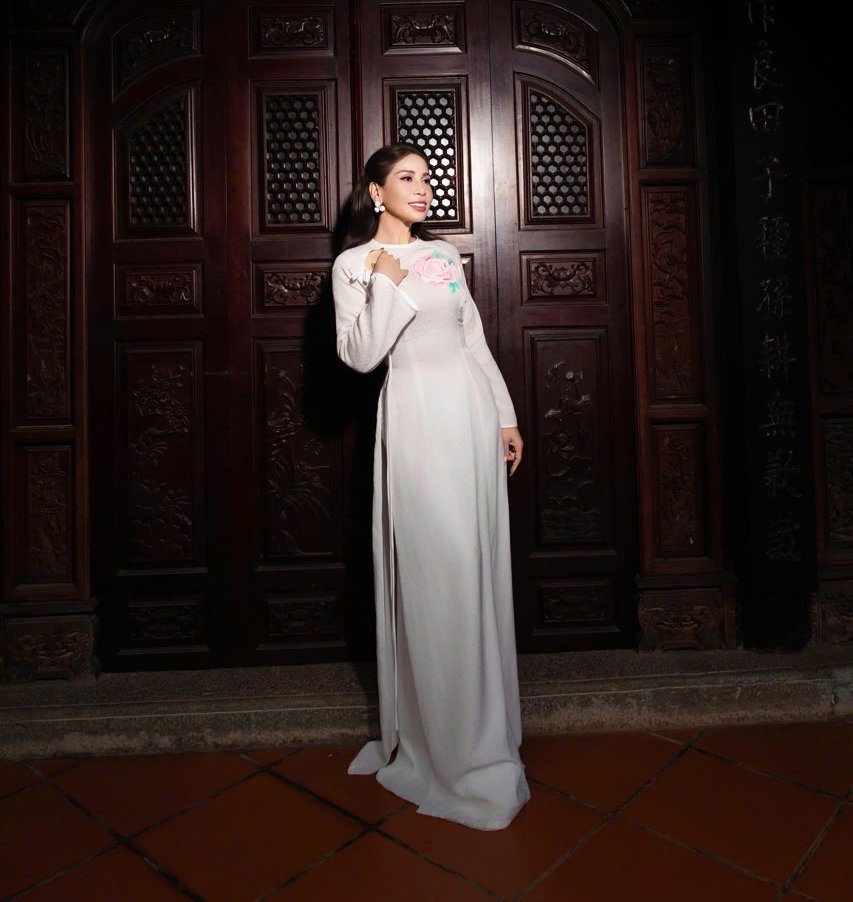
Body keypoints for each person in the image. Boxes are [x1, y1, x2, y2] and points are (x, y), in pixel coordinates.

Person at [331, 142, 530, 830]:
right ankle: (438, 743)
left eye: (426, 178)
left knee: (473, 567)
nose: (423, 189)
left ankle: (482, 735)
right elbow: (360, 356)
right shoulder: (354, 265)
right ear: (375, 191)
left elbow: (473, 341)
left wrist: (504, 416)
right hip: (415, 421)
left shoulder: (445, 256)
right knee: (435, 569)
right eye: (407, 178)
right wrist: (386, 282)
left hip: (469, 415)